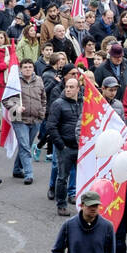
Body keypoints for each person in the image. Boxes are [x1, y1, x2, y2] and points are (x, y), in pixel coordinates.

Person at [3, 58, 45, 184]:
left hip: (35, 118)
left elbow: (43, 98)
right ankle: (29, 174)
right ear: (21, 69)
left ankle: (17, 169)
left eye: (30, 67)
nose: (28, 69)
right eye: (25, 67)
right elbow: (5, 100)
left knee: (24, 145)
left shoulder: (39, 80)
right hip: (19, 118)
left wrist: (42, 112)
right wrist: (15, 107)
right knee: (25, 146)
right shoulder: (15, 81)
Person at [48, 74, 82, 214]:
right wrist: (61, 145)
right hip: (66, 147)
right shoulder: (58, 104)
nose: (68, 89)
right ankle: (61, 205)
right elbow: (51, 126)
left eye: (71, 87)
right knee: (62, 177)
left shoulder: (84, 102)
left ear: (78, 89)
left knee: (83, 176)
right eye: (67, 86)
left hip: (81, 147)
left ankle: (83, 202)